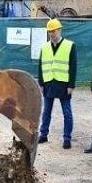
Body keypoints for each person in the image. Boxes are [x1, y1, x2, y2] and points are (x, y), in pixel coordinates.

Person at [38, 18, 77, 149]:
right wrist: (41, 83)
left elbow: (73, 66)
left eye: (53, 31)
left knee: (67, 112)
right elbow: (41, 66)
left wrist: (71, 85)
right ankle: (43, 134)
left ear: (60, 30)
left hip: (63, 84)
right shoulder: (44, 47)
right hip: (49, 83)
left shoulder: (70, 45)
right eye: (49, 32)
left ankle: (67, 138)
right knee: (46, 111)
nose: (51, 34)